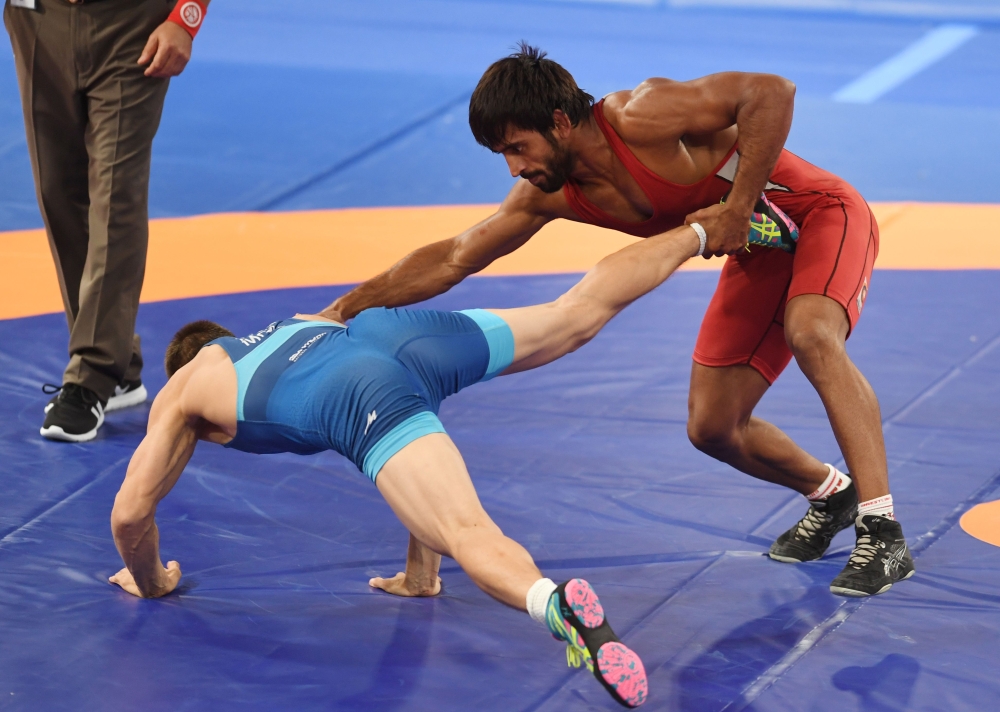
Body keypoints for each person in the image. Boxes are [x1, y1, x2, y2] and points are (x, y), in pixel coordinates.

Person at [316, 44, 914, 598]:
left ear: (559, 121)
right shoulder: (546, 194)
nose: (512, 168)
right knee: (713, 427)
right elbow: (453, 257)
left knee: (810, 332)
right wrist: (344, 308)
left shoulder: (640, 115)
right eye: (502, 154)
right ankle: (831, 494)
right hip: (754, 246)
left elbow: (771, 91)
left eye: (517, 147)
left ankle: (883, 529)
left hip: (817, 215)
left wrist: (736, 206)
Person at [106, 221, 719, 709]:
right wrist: (420, 575)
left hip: (354, 388)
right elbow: (400, 406)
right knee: (572, 313)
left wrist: (152, 578)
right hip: (388, 336)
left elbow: (130, 515)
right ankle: (703, 231)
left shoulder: (185, 388)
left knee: (468, 532)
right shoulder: (291, 325)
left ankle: (555, 606)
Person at [5, 0, 211, 442]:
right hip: (39, 16)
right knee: (57, 191)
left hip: (132, 23)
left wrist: (187, 16)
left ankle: (91, 377)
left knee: (115, 195)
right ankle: (120, 368)